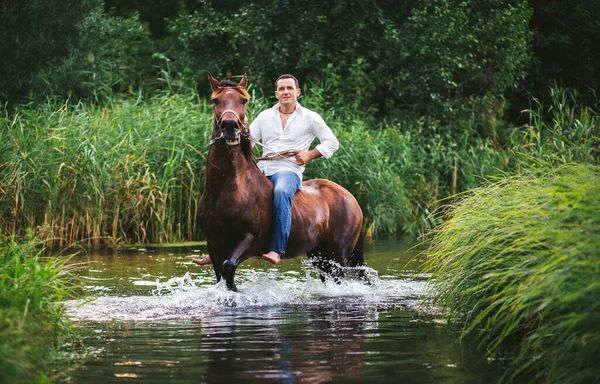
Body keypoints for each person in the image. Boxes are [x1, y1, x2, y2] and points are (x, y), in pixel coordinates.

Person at [193, 74, 339, 266]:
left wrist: (310, 154)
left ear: (298, 92)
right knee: (230, 196)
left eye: (289, 88)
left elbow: (332, 142)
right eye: (281, 89)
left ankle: (276, 249)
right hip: (262, 169)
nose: (285, 92)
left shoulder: (310, 118)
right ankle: (219, 250)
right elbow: (248, 140)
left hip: (288, 170)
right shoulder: (265, 116)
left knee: (280, 191)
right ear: (276, 93)